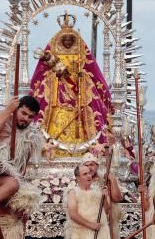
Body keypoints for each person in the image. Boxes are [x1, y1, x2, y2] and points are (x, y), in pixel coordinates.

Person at [30, 12, 113, 157]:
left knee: (85, 123)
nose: (68, 42)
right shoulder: (53, 54)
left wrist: (79, 77)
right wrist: (56, 74)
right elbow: (41, 73)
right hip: (56, 94)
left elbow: (91, 71)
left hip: (79, 95)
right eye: (65, 39)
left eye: (70, 39)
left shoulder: (81, 53)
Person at [82, 152, 125, 239]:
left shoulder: (105, 178)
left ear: (97, 166)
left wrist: (112, 179)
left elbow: (117, 198)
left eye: (92, 165)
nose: (90, 168)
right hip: (87, 220)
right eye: (87, 165)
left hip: (105, 221)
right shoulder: (81, 179)